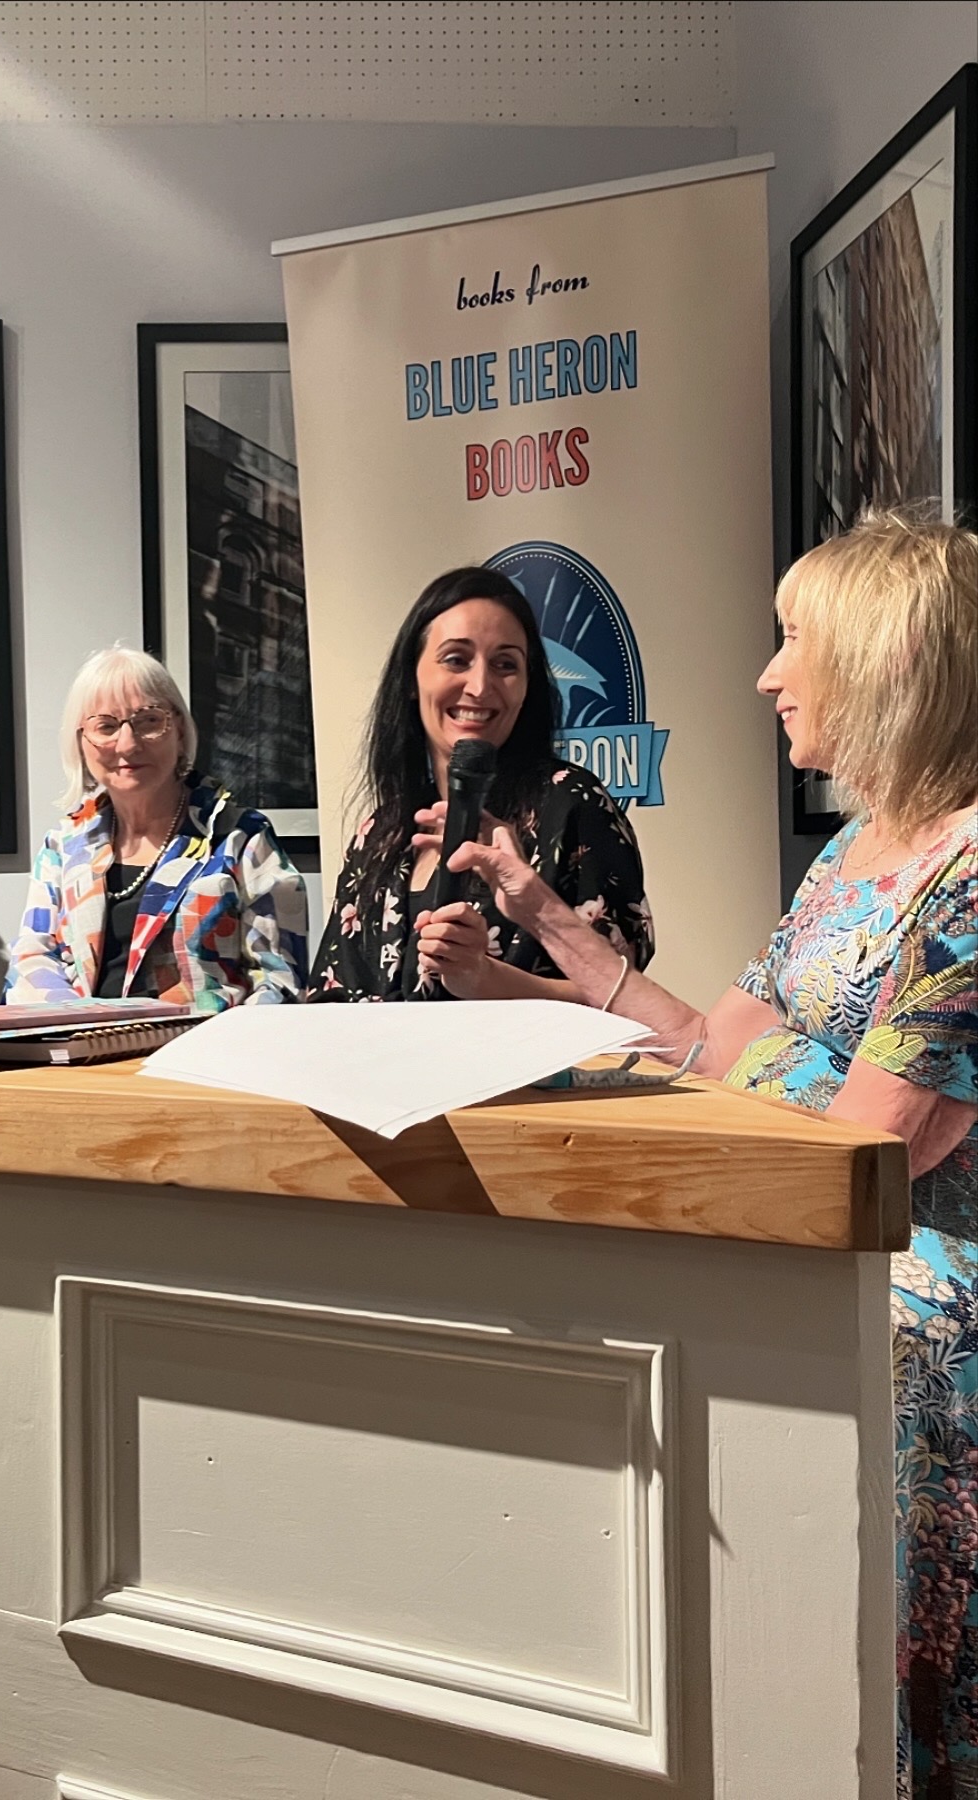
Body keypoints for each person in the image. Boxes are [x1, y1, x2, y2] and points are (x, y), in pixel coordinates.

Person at [419, 509, 977, 1797]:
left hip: (910, 1321)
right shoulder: (854, 851)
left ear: (886, 661)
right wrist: (535, 931)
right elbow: (704, 1043)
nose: (770, 675)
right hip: (810, 1262)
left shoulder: (965, 868)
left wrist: (754, 1068)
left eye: (794, 643)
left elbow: (871, 1152)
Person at [308, 565, 653, 1001]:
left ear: (528, 688)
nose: (480, 685)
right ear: (412, 678)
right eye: (456, 659)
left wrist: (487, 978)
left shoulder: (572, 804)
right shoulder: (381, 831)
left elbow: (622, 1001)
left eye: (505, 664)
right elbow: (329, 994)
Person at [5, 645, 309, 1009]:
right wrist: (72, 1023)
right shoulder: (63, 846)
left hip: (199, 1053)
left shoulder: (240, 839)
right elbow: (32, 957)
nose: (128, 744)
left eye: (149, 720)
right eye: (106, 726)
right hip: (81, 1050)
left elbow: (281, 979)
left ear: (179, 729)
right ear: (81, 741)